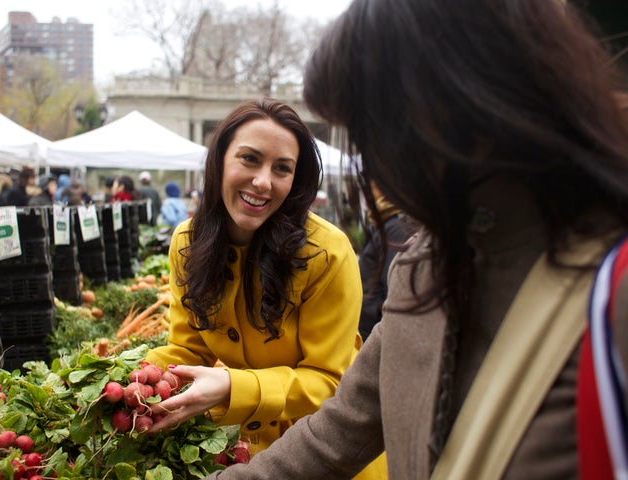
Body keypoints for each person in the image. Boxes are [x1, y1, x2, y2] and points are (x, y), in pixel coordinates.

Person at [205, 0, 628, 478]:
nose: (375, 162)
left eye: (380, 124)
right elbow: (336, 433)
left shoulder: (611, 282)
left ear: (475, 96)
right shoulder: (421, 268)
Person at [143, 98, 386, 479]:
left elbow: (330, 383)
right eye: (250, 159)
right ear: (220, 160)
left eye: (282, 169)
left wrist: (232, 387)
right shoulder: (187, 243)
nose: (262, 181)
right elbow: (188, 348)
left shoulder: (326, 252)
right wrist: (130, 378)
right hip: (249, 457)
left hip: (327, 456)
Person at [357, 182, 413, 342]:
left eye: (373, 185)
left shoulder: (395, 228)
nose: (367, 192)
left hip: (374, 336)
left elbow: (393, 288)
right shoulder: (385, 224)